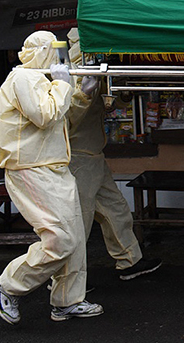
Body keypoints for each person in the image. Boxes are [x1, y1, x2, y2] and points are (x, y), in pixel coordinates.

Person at [0, 31, 103, 324]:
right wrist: (64, 85)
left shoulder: (44, 81)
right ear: (42, 51)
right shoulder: (22, 79)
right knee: (59, 239)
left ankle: (68, 300)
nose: (60, 56)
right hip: (30, 169)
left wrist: (82, 94)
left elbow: (65, 120)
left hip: (56, 169)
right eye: (56, 50)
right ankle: (8, 285)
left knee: (75, 239)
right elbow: (44, 114)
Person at [64, 29, 162, 281]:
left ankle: (130, 261)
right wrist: (83, 94)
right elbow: (63, 121)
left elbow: (105, 104)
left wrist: (124, 94)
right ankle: (67, 283)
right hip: (76, 159)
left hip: (93, 156)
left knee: (115, 209)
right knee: (79, 223)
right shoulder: (71, 72)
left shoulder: (93, 66)